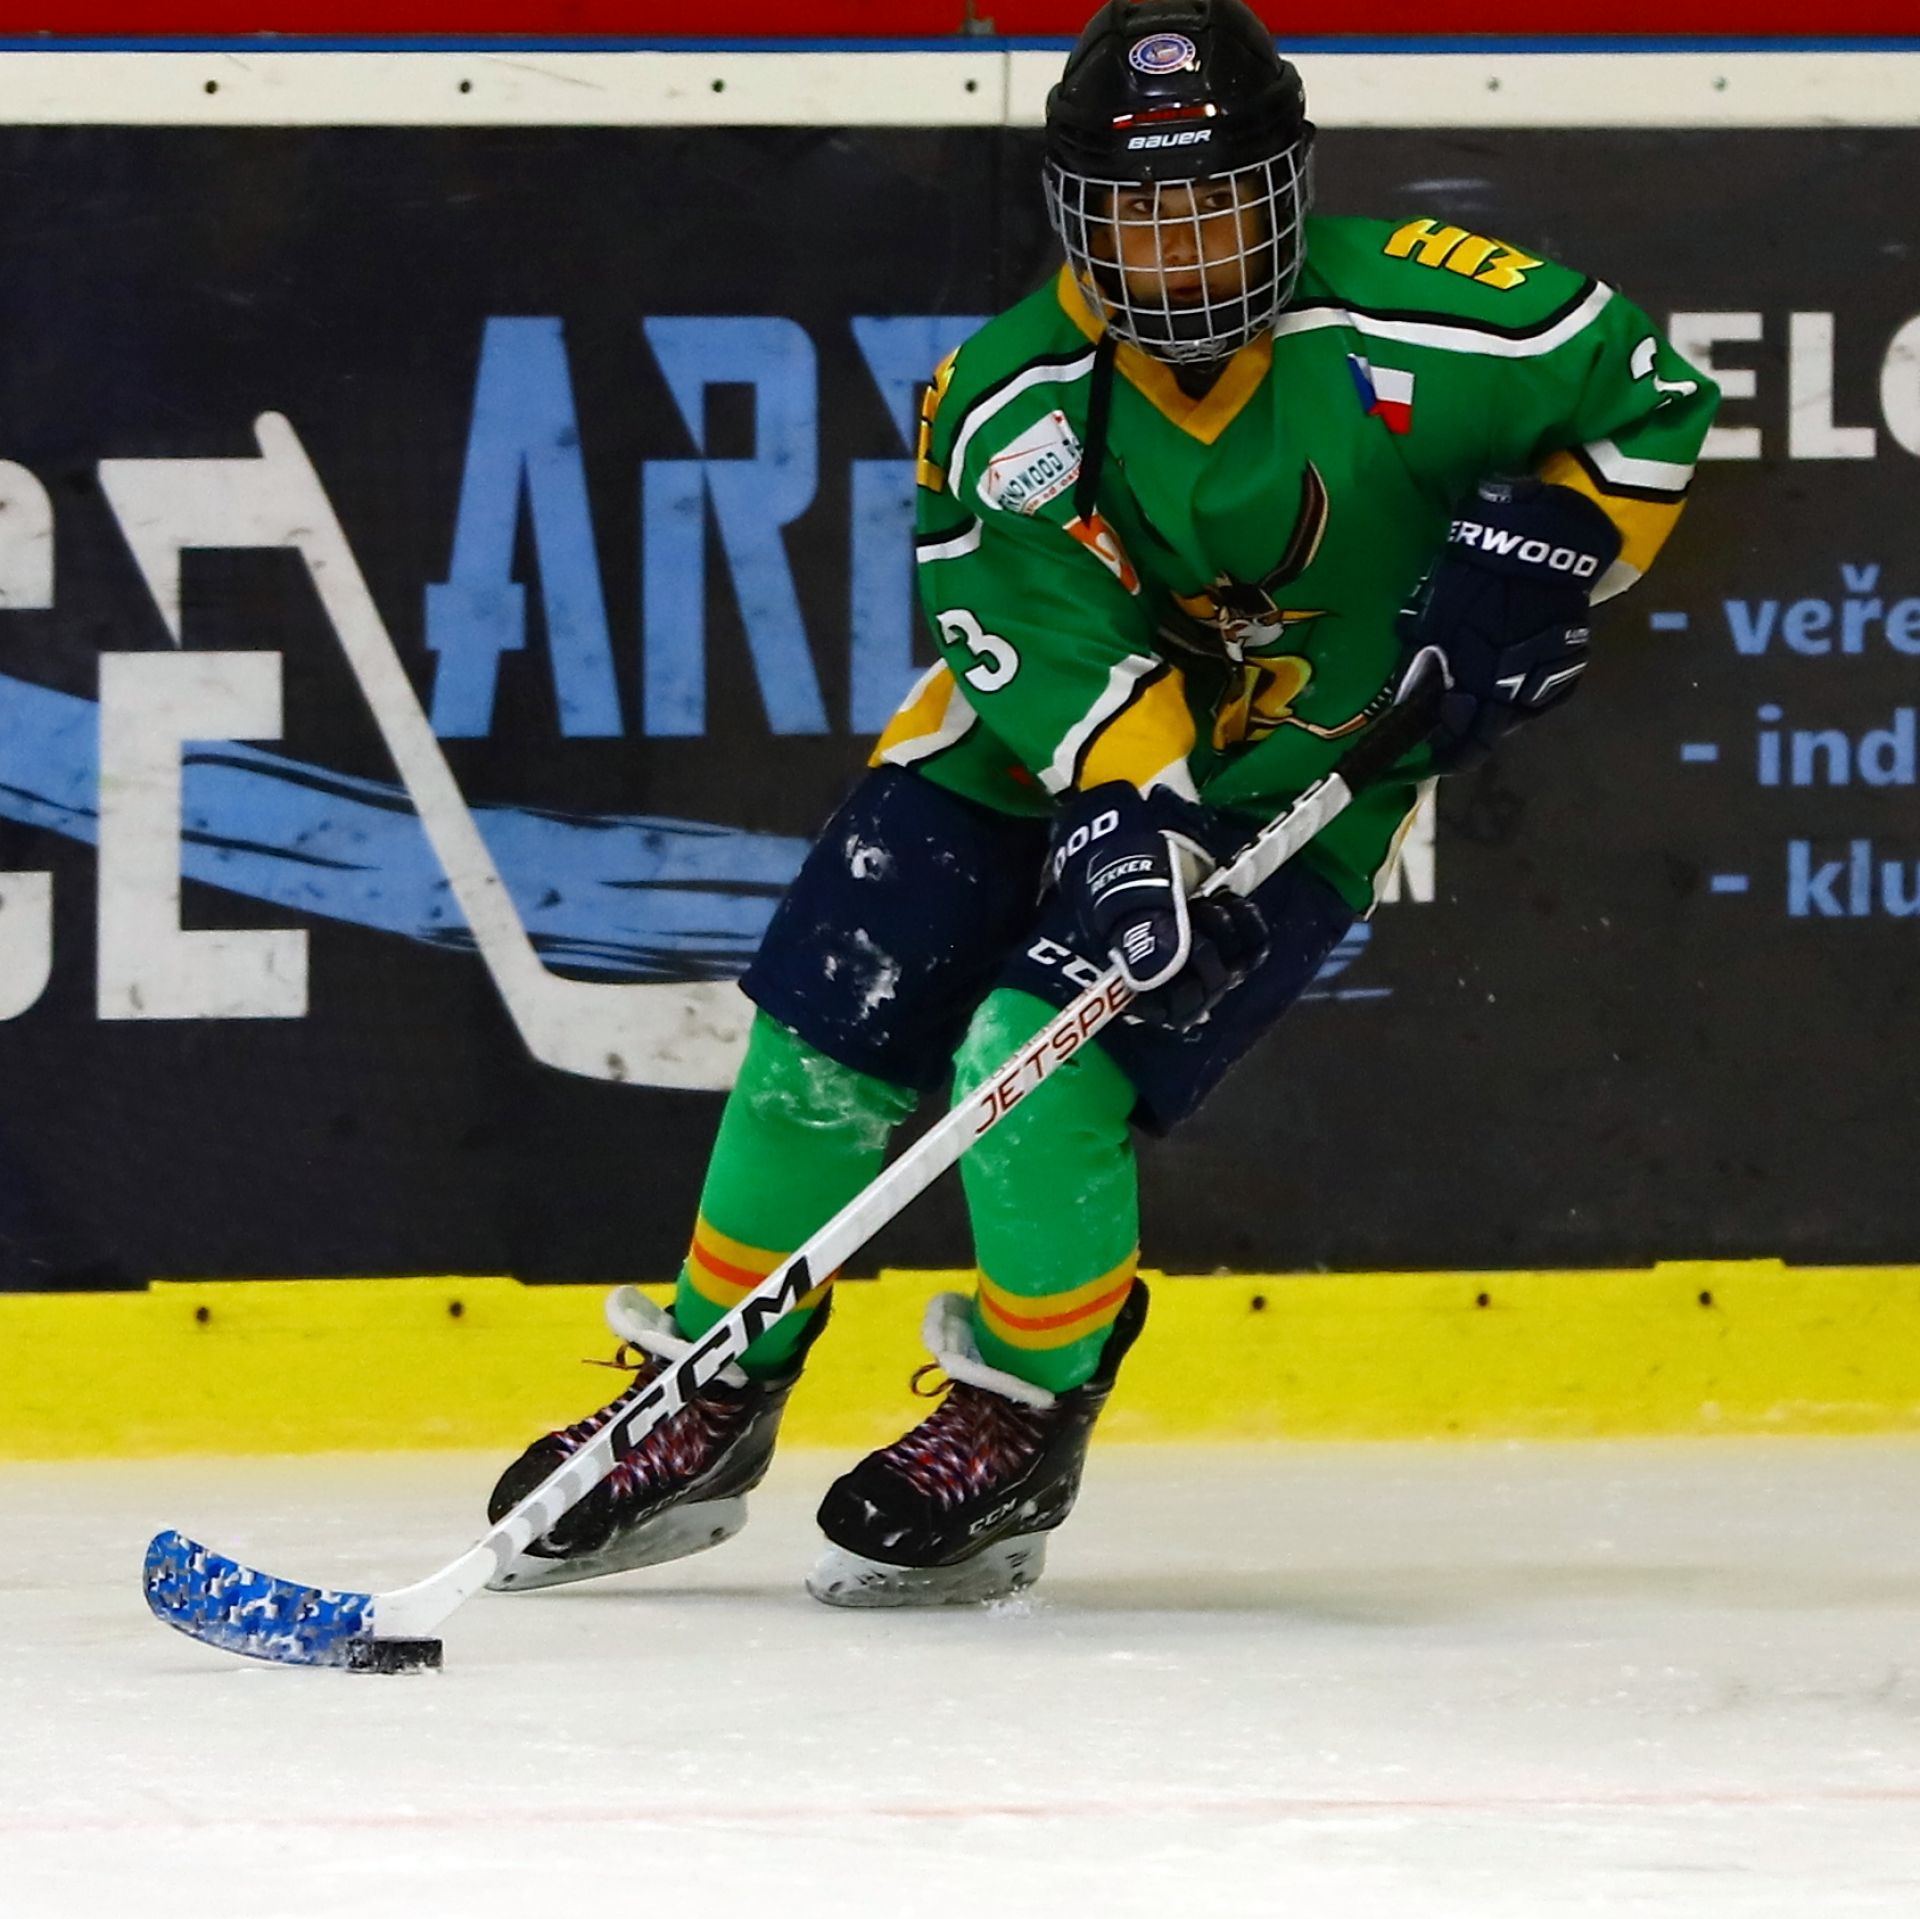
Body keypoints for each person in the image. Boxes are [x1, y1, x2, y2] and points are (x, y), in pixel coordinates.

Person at [486, 0, 1718, 1608]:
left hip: (1299, 779)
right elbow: (1050, 651)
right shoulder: (1006, 399)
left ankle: (1022, 1414)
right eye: (1139, 213)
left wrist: (1551, 559)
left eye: (1214, 204)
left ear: (1290, 187)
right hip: (1023, 747)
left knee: (1035, 1068)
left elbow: (1651, 402)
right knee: (828, 1028)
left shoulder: (1443, 323)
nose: (1180, 253)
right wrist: (1131, 823)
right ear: (1073, 213)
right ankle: (709, 1388)